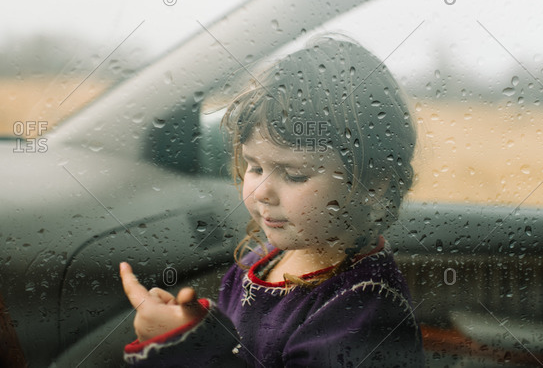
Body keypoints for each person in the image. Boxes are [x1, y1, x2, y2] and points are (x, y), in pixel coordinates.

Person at [120, 35, 425, 367]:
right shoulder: (262, 260)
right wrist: (189, 326)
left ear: (374, 184)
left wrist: (186, 347)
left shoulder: (363, 309)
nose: (262, 191)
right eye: (254, 167)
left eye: (293, 175)